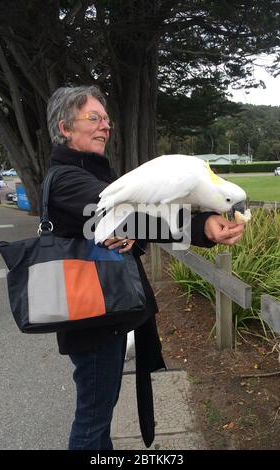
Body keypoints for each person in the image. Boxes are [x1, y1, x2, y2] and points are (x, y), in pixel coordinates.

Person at [45, 85, 244, 450]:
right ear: (64, 128)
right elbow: (119, 219)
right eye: (94, 118)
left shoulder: (96, 175)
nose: (105, 125)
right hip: (92, 319)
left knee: (99, 412)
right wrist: (199, 227)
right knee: (92, 420)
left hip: (104, 313)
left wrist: (202, 227)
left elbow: (137, 223)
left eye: (106, 118)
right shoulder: (68, 180)